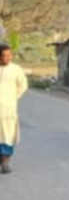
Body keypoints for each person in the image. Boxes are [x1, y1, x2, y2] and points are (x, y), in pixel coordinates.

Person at [0, 43, 28, 174]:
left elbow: (23, 86)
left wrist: (13, 97)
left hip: (9, 110)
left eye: (9, 55)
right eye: (4, 56)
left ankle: (5, 163)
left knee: (8, 136)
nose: (7, 58)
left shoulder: (16, 69)